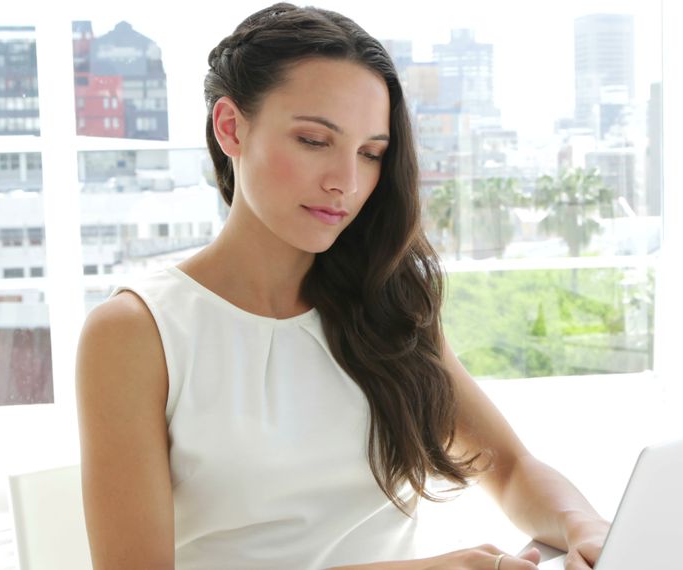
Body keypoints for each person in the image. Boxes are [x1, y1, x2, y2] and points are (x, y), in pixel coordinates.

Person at [75, 3, 609, 568]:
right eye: (313, 140)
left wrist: (587, 526)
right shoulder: (137, 333)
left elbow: (509, 467)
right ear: (231, 127)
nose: (346, 183)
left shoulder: (385, 303)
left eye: (371, 153)